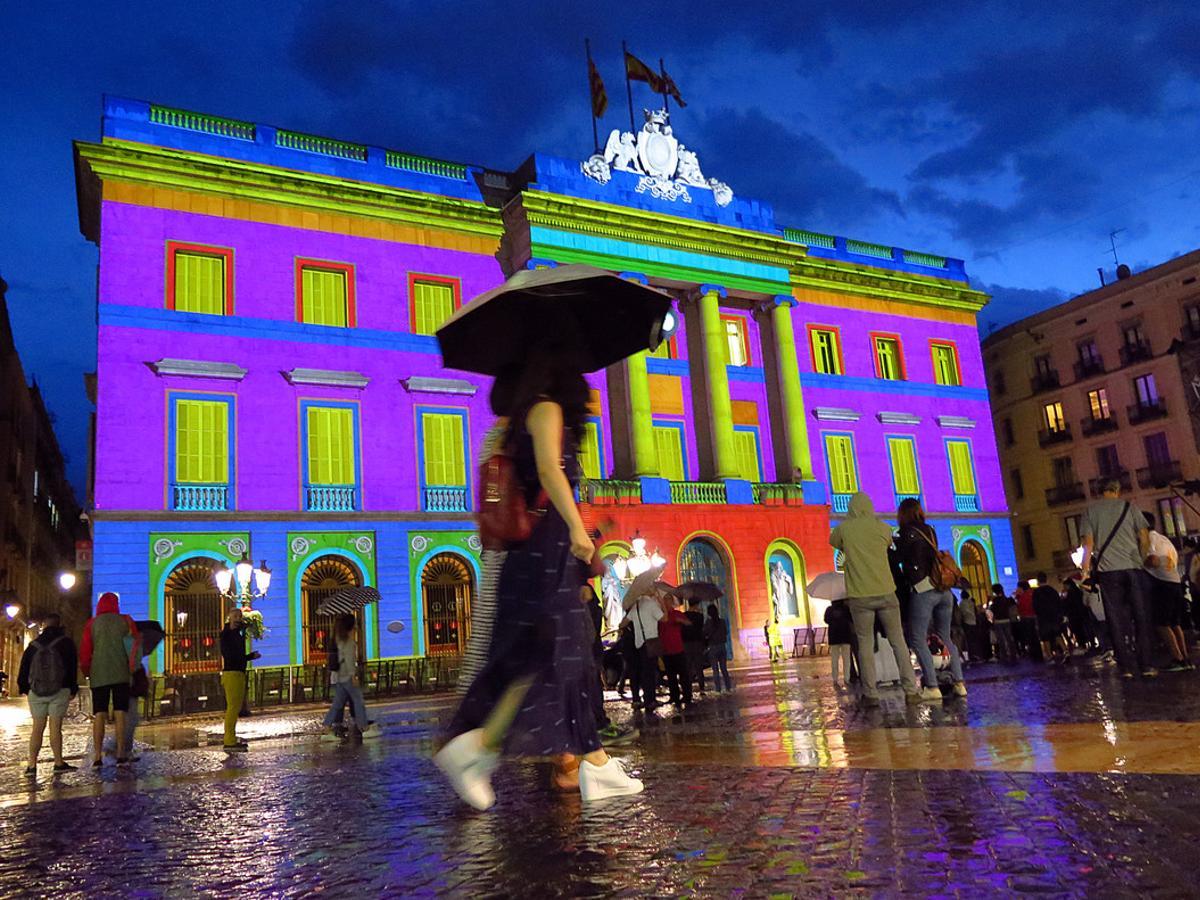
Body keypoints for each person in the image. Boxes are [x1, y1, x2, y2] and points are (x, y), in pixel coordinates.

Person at [434, 349, 642, 808]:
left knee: (544, 660)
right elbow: (550, 470)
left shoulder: (521, 420)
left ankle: (583, 761)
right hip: (544, 557)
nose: (589, 395)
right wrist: (575, 528)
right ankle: (486, 749)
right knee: (559, 656)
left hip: (539, 558)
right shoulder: (545, 408)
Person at [830, 492, 920, 707]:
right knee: (898, 642)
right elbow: (889, 543)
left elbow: (833, 541)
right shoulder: (882, 527)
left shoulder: (844, 530)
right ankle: (911, 690)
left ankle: (871, 694)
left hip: (860, 595)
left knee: (865, 645)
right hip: (887, 591)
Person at [458, 371, 517, 695]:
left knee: (485, 631)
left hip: (495, 544)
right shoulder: (510, 439)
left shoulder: (493, 437)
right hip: (510, 546)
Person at [1081, 479, 1155, 678]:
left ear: (1099, 491)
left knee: (1115, 619)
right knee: (1140, 616)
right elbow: (1144, 536)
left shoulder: (1090, 512)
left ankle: (1126, 668)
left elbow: (1088, 543)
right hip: (1132, 567)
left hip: (1108, 571)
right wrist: (1141, 558)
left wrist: (1085, 569)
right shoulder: (1130, 507)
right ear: (1117, 490)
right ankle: (1146, 665)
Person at [896, 499, 966, 700]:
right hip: (943, 589)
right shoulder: (930, 530)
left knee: (917, 638)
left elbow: (902, 559)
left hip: (924, 589)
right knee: (945, 637)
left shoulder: (904, 533)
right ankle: (959, 682)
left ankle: (932, 685)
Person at [80, 591, 140, 766]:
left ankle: (98, 755)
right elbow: (134, 647)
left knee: (99, 713)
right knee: (121, 712)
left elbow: (85, 652)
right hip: (121, 673)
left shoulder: (92, 624)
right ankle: (121, 752)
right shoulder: (126, 621)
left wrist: (86, 672)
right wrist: (133, 669)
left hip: (98, 674)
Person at [17, 614, 78, 774]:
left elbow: (24, 668)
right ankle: (58, 762)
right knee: (55, 727)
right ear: (59, 625)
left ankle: (32, 765)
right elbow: (72, 667)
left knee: (37, 727)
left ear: (44, 626)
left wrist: (24, 688)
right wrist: (73, 688)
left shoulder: (33, 645)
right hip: (60, 689)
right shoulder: (66, 643)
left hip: (36, 691)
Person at [1143, 512, 1191, 672]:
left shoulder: (1149, 539)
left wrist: (1142, 563)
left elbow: (1154, 560)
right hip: (1175, 581)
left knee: (1161, 623)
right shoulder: (1164, 539)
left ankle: (1177, 658)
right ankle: (1185, 657)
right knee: (1174, 623)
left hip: (1162, 584)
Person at [321, 614, 380, 741]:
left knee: (337, 704)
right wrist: (353, 676)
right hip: (347, 676)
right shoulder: (349, 642)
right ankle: (364, 728)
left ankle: (326, 728)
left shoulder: (338, 639)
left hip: (340, 676)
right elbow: (349, 660)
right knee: (358, 701)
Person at [220, 607, 261, 751]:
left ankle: (231, 739)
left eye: (240, 616)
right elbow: (230, 655)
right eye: (235, 616)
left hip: (238, 672)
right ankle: (229, 741)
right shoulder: (226, 635)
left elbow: (237, 651)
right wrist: (249, 657)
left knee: (235, 708)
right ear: (229, 618)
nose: (238, 618)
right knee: (232, 708)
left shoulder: (238, 633)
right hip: (232, 673)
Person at [625, 581, 666, 711]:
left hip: (639, 643)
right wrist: (662, 602)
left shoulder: (636, 606)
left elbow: (624, 622)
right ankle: (650, 700)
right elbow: (664, 619)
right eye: (652, 587)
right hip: (651, 642)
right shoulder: (652, 604)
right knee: (650, 672)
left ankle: (648, 698)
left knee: (645, 672)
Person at [1032, 573, 1069, 664]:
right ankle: (1065, 650)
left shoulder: (1037, 592)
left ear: (1038, 581)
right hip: (1054, 616)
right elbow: (1058, 603)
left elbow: (1035, 606)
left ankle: (1049, 656)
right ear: (1046, 579)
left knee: (1045, 638)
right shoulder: (1052, 590)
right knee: (1057, 634)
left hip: (1043, 617)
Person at [703, 604, 733, 693]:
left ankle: (718, 689)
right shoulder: (722, 621)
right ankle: (728, 687)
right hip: (722, 647)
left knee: (715, 670)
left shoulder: (708, 623)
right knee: (724, 669)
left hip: (713, 647)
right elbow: (725, 632)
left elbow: (704, 633)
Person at [824, 599, 854, 688]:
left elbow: (826, 620)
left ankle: (835, 679)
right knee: (846, 660)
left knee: (834, 659)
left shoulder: (829, 609)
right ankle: (846, 679)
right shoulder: (846, 608)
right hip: (846, 636)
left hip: (834, 637)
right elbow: (851, 619)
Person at [682, 597, 707, 696]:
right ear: (696, 605)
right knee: (698, 666)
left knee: (688, 666)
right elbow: (700, 629)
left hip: (686, 643)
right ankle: (701, 687)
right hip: (697, 643)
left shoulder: (683, 616)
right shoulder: (700, 616)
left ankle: (688, 687)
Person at [989, 584, 1017, 663]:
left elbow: (991, 611)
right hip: (1007, 620)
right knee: (1009, 638)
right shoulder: (1006, 599)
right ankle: (1013, 655)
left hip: (998, 621)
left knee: (1001, 640)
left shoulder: (995, 600)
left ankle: (1004, 656)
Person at [1014, 580, 1039, 660]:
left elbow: (1020, 607)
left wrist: (1017, 597)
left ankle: (1033, 654)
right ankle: (1037, 654)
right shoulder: (1033, 593)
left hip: (1026, 617)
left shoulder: (1023, 596)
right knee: (1035, 637)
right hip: (1034, 617)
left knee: (1030, 637)